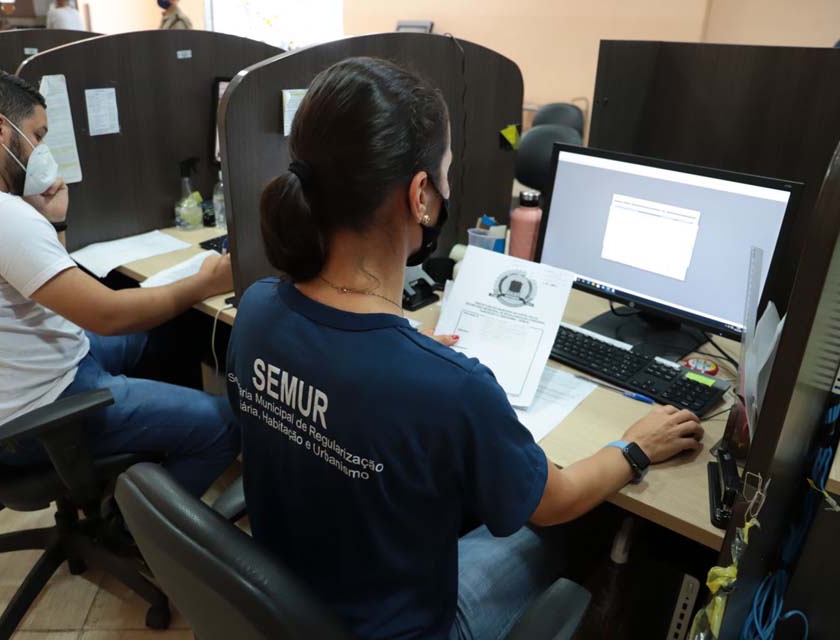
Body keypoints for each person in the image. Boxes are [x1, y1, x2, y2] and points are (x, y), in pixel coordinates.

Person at [225, 57, 704, 640]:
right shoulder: (451, 387)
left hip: (294, 604)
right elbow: (554, 501)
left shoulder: (255, 309)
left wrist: (407, 351)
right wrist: (635, 447)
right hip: (408, 627)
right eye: (445, 173)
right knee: (572, 525)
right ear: (421, 194)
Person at [0, 67, 238, 498]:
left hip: (14, 382)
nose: (40, 149)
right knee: (224, 425)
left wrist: (55, 220)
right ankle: (141, 536)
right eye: (37, 135)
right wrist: (204, 282)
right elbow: (107, 314)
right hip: (42, 412)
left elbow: (46, 287)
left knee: (169, 333)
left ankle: (143, 469)